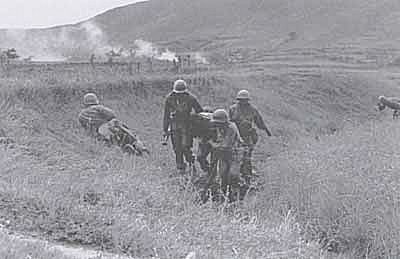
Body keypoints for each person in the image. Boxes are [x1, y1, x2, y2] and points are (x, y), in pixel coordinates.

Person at [78, 93, 149, 155]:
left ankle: (125, 149)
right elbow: (112, 115)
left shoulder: (81, 115)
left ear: (85, 103)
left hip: (97, 133)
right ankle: (139, 146)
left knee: (112, 142)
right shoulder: (98, 107)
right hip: (106, 127)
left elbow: (85, 128)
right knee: (124, 130)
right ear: (96, 101)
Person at [229, 90, 272, 186]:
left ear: (248, 100)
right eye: (241, 100)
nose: (242, 102)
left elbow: (259, 121)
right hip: (235, 136)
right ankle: (235, 175)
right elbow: (229, 123)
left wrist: (266, 130)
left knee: (246, 157)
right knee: (234, 156)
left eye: (245, 100)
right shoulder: (233, 109)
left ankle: (247, 177)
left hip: (248, 136)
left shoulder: (253, 110)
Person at [163, 79, 203, 173]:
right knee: (177, 148)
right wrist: (165, 129)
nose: (179, 95)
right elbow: (166, 115)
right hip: (174, 125)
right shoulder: (169, 98)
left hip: (187, 125)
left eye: (181, 93)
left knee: (185, 146)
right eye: (178, 93)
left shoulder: (191, 98)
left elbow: (199, 111)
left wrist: (194, 120)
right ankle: (180, 167)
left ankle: (191, 163)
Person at [205, 109, 243, 202]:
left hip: (235, 153)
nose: (217, 125)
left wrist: (211, 143)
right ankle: (224, 195)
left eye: (219, 123)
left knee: (233, 175)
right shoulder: (218, 126)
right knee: (223, 175)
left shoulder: (231, 128)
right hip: (224, 154)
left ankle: (236, 196)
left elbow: (225, 145)